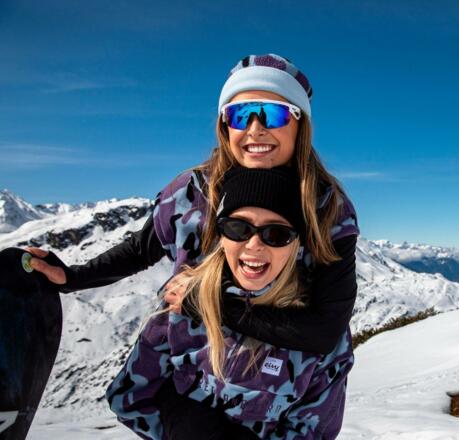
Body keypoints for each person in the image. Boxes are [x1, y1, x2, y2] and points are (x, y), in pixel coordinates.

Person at [25, 53, 359, 430]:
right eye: (239, 115)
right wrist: (74, 277)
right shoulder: (191, 193)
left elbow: (325, 328)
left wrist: (206, 303)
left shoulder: (328, 209)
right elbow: (143, 247)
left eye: (274, 114)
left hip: (283, 384)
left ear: (300, 125)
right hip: (194, 367)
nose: (255, 129)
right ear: (224, 125)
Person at [107, 167, 354, 439]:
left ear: (295, 244)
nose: (254, 245)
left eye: (276, 234)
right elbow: (130, 398)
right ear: (221, 235)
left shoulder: (317, 332)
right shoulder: (180, 304)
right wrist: (183, 421)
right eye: (238, 228)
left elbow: (315, 431)